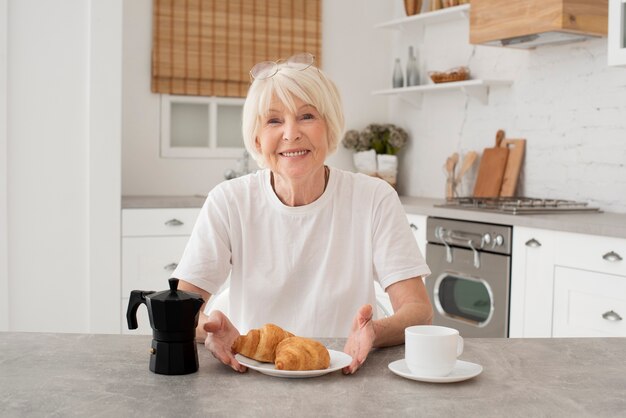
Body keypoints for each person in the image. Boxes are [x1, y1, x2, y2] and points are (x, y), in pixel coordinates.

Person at [174, 52, 432, 374]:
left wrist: (375, 331)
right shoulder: (229, 201)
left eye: (307, 116)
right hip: (252, 370)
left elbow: (418, 310)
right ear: (257, 138)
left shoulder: (374, 198)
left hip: (347, 371)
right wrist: (210, 331)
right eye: (273, 120)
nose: (291, 133)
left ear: (330, 126)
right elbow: (181, 309)